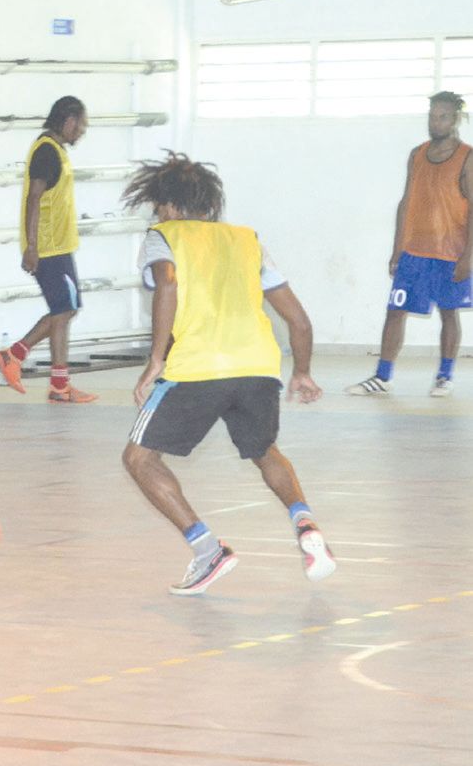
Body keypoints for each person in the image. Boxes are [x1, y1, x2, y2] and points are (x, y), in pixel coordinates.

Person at [120, 151, 335, 596]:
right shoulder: (247, 239)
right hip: (257, 367)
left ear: (172, 205)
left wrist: (156, 358)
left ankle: (206, 550)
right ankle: (306, 523)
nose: (159, 213)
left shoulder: (164, 236)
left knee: (139, 459)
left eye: (160, 205)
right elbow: (299, 321)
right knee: (266, 452)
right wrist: (304, 372)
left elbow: (168, 284)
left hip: (198, 367)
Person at [346, 91, 472, 398]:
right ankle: (382, 377)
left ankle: (444, 376)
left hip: (450, 252)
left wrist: (468, 256)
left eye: (442, 116)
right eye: (432, 115)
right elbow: (406, 202)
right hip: (414, 251)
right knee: (394, 311)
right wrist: (396, 248)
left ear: (455, 119)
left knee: (448, 311)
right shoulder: (417, 154)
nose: (435, 121)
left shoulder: (467, 157)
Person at [0, 96, 98, 404]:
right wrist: (32, 247)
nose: (81, 132)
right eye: (81, 125)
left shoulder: (55, 150)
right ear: (68, 122)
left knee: (65, 310)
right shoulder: (46, 153)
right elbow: (33, 199)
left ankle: (37, 369)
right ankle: (25, 362)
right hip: (49, 248)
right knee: (64, 310)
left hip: (59, 246)